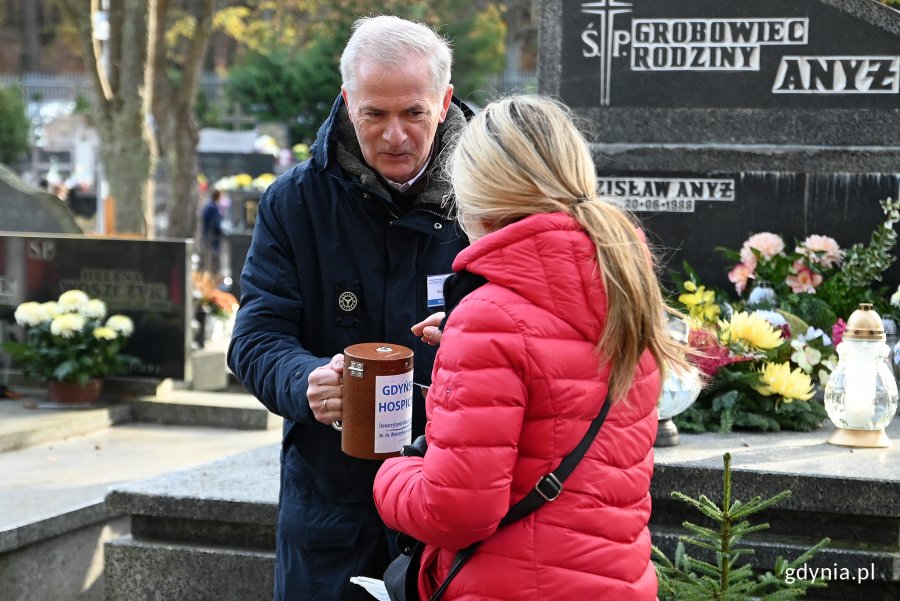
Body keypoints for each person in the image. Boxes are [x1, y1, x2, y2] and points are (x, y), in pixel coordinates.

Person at [373, 96, 692, 600]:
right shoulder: (625, 293)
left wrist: (392, 471)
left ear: (476, 195)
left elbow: (455, 512)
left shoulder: (489, 318)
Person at [226, 15, 471, 601]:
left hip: (457, 497)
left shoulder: (491, 196)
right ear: (346, 101)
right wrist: (304, 380)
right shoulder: (295, 202)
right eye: (374, 114)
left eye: (413, 113)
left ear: (444, 102)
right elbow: (256, 338)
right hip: (330, 507)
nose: (394, 135)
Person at [200, 189, 224, 275]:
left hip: (207, 236)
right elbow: (216, 224)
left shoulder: (208, 206)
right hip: (213, 237)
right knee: (214, 259)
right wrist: (221, 232)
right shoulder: (213, 207)